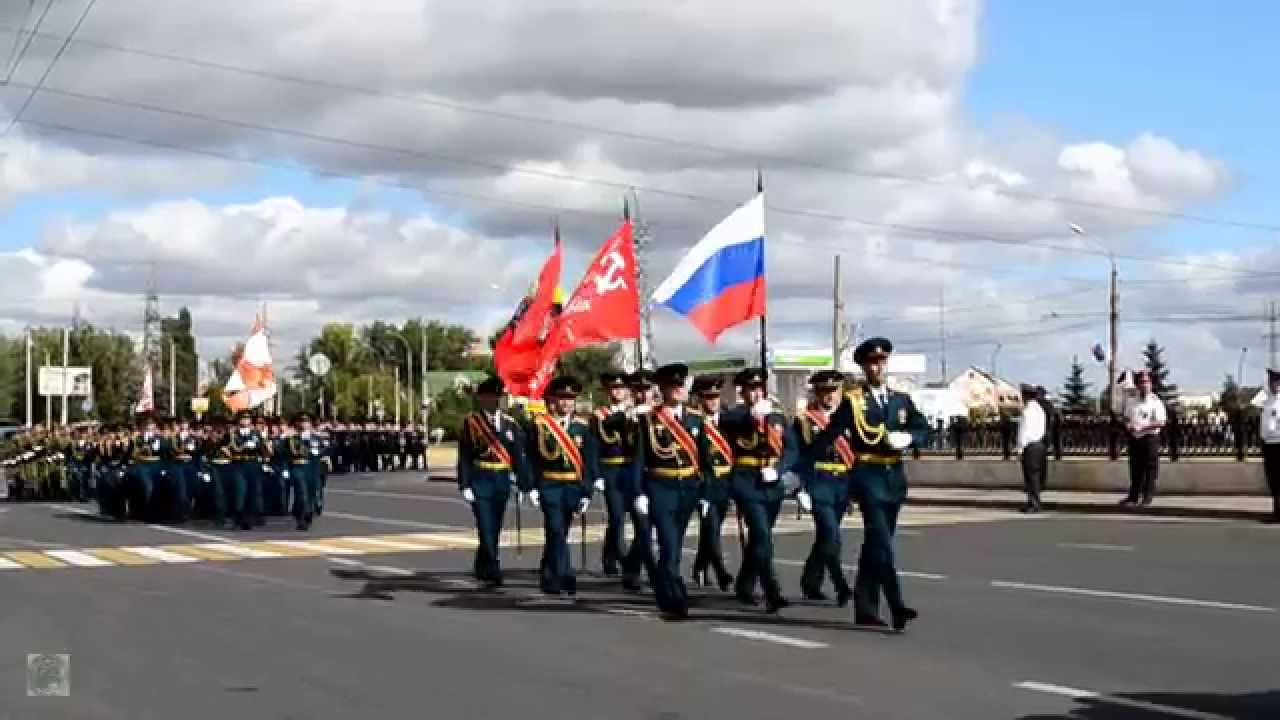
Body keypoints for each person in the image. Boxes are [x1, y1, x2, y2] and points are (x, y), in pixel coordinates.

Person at [814, 337, 928, 631]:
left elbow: (922, 428)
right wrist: (803, 472)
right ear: (864, 368)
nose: (877, 367)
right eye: (872, 363)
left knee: (875, 546)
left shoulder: (900, 399)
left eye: (881, 362)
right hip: (868, 477)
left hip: (894, 479)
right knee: (882, 543)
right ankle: (897, 605)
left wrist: (909, 437)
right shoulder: (854, 401)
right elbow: (828, 435)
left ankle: (865, 608)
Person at [719, 367, 797, 614]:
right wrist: (752, 418)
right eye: (750, 389)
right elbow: (727, 425)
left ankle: (745, 583)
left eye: (759, 389)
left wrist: (780, 470)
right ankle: (771, 590)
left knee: (759, 539)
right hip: (747, 482)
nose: (755, 394)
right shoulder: (734, 415)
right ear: (742, 392)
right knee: (762, 535)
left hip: (771, 483)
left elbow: (791, 449)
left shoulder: (776, 416)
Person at [633, 363, 708, 617]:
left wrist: (706, 494)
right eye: (672, 386)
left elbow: (705, 460)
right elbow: (639, 459)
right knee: (669, 544)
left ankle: (665, 591)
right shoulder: (647, 420)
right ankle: (675, 597)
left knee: (676, 543)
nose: (678, 390)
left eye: (681, 385)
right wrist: (639, 493)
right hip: (661, 487)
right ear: (663, 389)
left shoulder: (696, 419)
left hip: (688, 487)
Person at [527, 375, 600, 596]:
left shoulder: (582, 427)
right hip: (550, 484)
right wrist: (531, 486)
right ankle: (564, 574)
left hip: (573, 486)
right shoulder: (540, 425)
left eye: (571, 398)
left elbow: (590, 461)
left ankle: (549, 573)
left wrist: (587, 492)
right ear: (553, 400)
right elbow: (530, 458)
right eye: (562, 398)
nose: (567, 402)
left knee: (560, 532)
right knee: (556, 528)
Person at [457, 377, 528, 587]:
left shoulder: (510, 424)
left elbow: (518, 456)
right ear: (481, 399)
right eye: (489, 397)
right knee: (485, 525)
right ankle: (493, 567)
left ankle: (483, 564)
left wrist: (523, 483)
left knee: (495, 527)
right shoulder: (471, 423)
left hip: (501, 481)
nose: (494, 401)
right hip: (481, 479)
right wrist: (465, 484)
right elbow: (465, 456)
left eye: (497, 397)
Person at [795, 370, 855, 605]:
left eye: (834, 391)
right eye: (824, 391)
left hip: (843, 482)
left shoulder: (850, 418)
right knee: (831, 536)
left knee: (825, 536)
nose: (829, 396)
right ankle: (841, 585)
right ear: (817, 393)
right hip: (819, 482)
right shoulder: (805, 420)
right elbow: (799, 455)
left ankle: (810, 581)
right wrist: (800, 488)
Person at [690, 374, 735, 593]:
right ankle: (721, 572)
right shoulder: (694, 422)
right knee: (712, 528)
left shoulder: (729, 420)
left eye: (716, 397)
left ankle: (700, 565)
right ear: (700, 399)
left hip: (725, 482)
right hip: (704, 483)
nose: (713, 402)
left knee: (711, 530)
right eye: (708, 397)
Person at [593, 371, 636, 577]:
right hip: (611, 470)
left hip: (631, 470)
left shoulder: (635, 413)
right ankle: (622, 557)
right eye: (613, 388)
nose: (617, 392)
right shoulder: (600, 415)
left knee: (634, 516)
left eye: (621, 388)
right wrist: (597, 475)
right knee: (617, 516)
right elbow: (595, 446)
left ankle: (609, 555)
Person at [620, 369, 657, 592]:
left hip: (658, 478)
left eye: (646, 389)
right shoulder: (626, 416)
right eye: (638, 390)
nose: (642, 395)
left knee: (651, 528)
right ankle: (654, 574)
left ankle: (631, 568)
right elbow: (609, 426)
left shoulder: (661, 414)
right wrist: (631, 416)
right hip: (632, 479)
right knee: (643, 528)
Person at [1122, 370, 1166, 506]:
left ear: (1151, 384)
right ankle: (1133, 496)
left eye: (1146, 382)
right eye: (1141, 382)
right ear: (1137, 385)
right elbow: (1126, 417)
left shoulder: (1155, 402)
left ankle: (1147, 496)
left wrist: (1142, 428)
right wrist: (1128, 426)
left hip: (1149, 438)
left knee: (1149, 469)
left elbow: (1160, 422)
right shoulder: (1131, 401)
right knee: (1135, 468)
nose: (1144, 385)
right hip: (1135, 438)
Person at [1017, 383, 1048, 513]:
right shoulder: (1040, 410)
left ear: (1025, 396)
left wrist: (1020, 449)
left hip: (1030, 447)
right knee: (1037, 476)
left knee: (1031, 477)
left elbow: (1023, 432)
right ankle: (1035, 502)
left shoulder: (1027, 411)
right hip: (1040, 445)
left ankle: (1034, 504)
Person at [1261, 366, 1280, 523]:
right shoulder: (1267, 402)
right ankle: (1276, 510)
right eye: (1273, 382)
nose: (1275, 385)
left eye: (1277, 382)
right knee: (1272, 479)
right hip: (1268, 444)